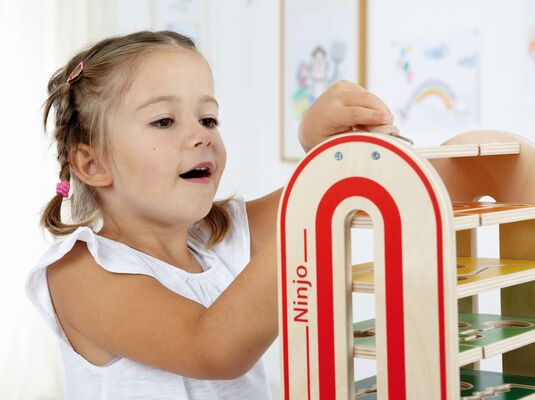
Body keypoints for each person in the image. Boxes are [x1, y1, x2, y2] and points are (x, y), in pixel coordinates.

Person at [25, 30, 394, 399]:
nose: (201, 136)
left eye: (208, 119)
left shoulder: (218, 237)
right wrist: (311, 205)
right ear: (92, 163)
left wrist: (329, 148)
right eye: (164, 121)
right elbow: (212, 349)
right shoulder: (79, 271)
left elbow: (337, 190)